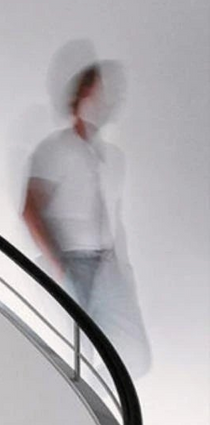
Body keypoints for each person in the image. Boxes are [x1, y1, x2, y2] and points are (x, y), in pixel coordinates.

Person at [22, 57, 150, 377]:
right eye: (98, 93)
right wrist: (60, 268)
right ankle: (89, 415)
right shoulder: (55, 150)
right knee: (79, 354)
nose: (105, 102)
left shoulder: (112, 158)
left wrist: (123, 268)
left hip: (106, 265)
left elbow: (113, 218)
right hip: (71, 263)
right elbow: (31, 210)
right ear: (81, 97)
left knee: (134, 355)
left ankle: (107, 407)